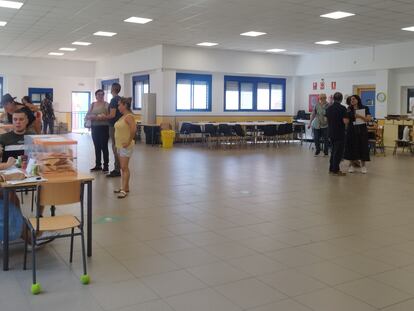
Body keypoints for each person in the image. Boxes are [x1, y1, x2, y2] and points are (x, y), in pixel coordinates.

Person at [113, 97, 135, 199]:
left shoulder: (129, 116)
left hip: (126, 145)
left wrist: (128, 141)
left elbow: (133, 130)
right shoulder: (122, 117)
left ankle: (124, 189)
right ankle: (125, 187)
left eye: (119, 105)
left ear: (124, 105)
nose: (118, 107)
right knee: (122, 167)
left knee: (124, 167)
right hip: (119, 145)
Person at [344, 95, 372, 174]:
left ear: (357, 100)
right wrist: (348, 118)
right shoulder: (349, 109)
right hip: (351, 131)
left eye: (353, 99)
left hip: (362, 130)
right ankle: (352, 165)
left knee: (362, 147)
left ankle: (363, 166)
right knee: (351, 147)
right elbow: (346, 121)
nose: (352, 101)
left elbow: (368, 119)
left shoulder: (365, 108)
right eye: (350, 100)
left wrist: (359, 116)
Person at [99, 83, 122, 177]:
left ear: (112, 89)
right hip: (120, 125)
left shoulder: (113, 100)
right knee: (118, 146)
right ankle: (118, 168)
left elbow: (112, 115)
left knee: (115, 146)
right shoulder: (120, 99)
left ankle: (117, 169)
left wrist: (104, 116)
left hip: (113, 126)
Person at [86, 89, 109, 172]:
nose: (100, 96)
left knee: (104, 146)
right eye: (98, 94)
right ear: (95, 96)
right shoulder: (92, 104)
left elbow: (109, 116)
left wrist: (101, 117)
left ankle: (106, 166)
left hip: (104, 127)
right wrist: (92, 117)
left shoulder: (106, 104)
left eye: (102, 94)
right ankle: (98, 165)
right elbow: (87, 115)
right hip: (94, 127)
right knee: (97, 147)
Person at [326, 92, 348, 176]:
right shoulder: (343, 108)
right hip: (340, 133)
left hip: (331, 132)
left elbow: (326, 120)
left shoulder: (329, 108)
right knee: (338, 153)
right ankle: (336, 170)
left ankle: (331, 169)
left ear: (334, 98)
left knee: (333, 151)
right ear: (341, 99)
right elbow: (345, 121)